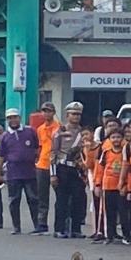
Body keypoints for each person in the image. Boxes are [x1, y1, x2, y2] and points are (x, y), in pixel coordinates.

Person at [0, 108, 40, 234]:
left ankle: (37, 226)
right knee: (14, 200)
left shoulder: (30, 132)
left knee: (33, 199)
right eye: (10, 118)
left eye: (15, 117)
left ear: (19, 118)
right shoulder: (4, 137)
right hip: (13, 173)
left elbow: (37, 149)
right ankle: (16, 227)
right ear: (7, 120)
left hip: (29, 172)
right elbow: (0, 156)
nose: (13, 120)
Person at [49, 102, 86, 239]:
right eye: (73, 114)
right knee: (62, 200)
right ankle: (59, 229)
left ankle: (76, 229)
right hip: (63, 168)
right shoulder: (59, 131)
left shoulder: (83, 132)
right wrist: (53, 174)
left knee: (78, 199)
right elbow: (53, 153)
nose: (76, 117)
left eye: (78, 114)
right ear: (67, 115)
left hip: (77, 170)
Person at [33, 102, 57, 234]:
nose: (47, 113)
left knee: (61, 195)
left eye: (49, 111)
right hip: (42, 165)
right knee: (42, 196)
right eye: (44, 111)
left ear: (54, 112)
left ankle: (62, 223)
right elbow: (40, 146)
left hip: (56, 165)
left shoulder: (59, 127)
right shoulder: (40, 129)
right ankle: (42, 223)